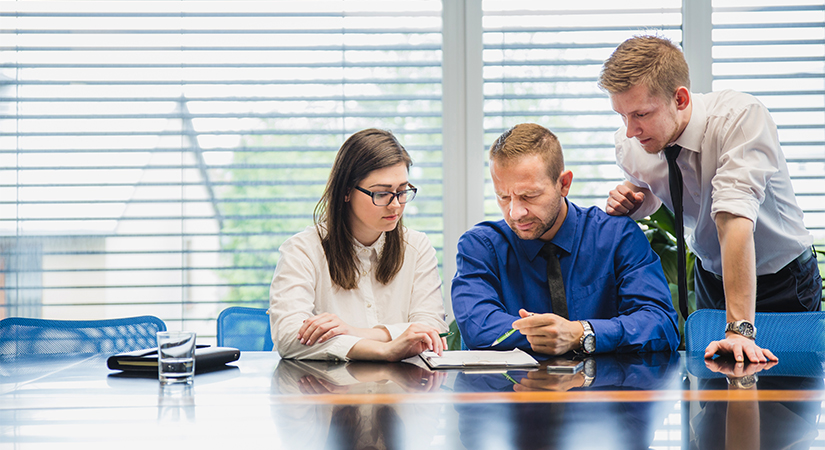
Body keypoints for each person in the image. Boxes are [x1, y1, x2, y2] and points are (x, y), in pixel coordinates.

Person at [598, 35, 821, 363]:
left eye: (641, 114)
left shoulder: (740, 118)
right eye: (622, 116)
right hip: (710, 276)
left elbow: (733, 219)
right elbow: (651, 188)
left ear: (680, 98)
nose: (631, 130)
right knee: (713, 380)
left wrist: (739, 329)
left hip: (782, 278)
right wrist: (635, 199)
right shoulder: (633, 143)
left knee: (784, 384)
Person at [451, 123, 680, 355]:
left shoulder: (618, 237)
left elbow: (661, 325)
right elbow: (477, 327)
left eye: (529, 196)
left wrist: (582, 333)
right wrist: (551, 334)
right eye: (503, 197)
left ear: (564, 184)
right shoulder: (480, 247)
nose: (515, 212)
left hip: (606, 380)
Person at [268, 128, 448, 361]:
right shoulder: (302, 250)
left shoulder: (416, 247)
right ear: (346, 192)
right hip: (324, 382)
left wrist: (354, 332)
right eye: (381, 193)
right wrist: (384, 350)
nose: (395, 205)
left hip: (402, 383)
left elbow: (432, 329)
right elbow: (288, 336)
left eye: (402, 191)